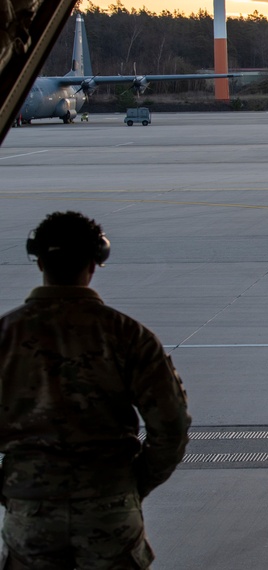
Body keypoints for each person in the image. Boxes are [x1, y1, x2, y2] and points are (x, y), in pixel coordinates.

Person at [0, 211, 191, 569]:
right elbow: (172, 426)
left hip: (30, 513)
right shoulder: (128, 335)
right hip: (110, 506)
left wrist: (15, 488)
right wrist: (133, 484)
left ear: (39, 260)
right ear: (95, 262)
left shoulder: (5, 335)